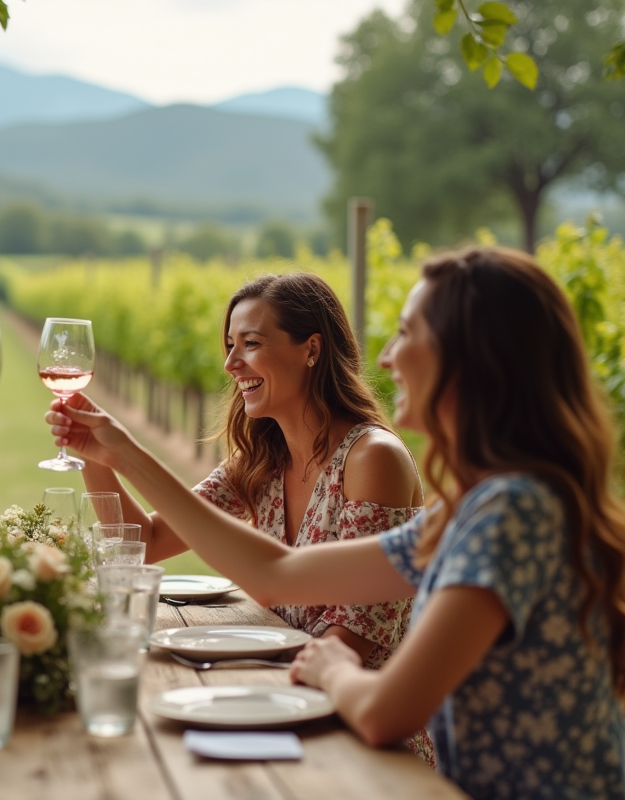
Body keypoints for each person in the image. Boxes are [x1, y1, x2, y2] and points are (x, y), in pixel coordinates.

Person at [47, 247, 625, 799]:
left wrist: (330, 668)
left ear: (470, 356)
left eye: (407, 332)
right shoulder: (477, 508)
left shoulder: (511, 513)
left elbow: (382, 712)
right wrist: (113, 456)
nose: (387, 355)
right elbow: (278, 572)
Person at [84, 273, 423, 670]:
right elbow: (143, 542)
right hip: (287, 690)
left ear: (311, 349)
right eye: (230, 346)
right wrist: (95, 456)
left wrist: (242, 665)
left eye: (251, 344)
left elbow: (353, 637)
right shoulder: (261, 461)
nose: (230, 364)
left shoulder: (372, 458)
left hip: (353, 716)